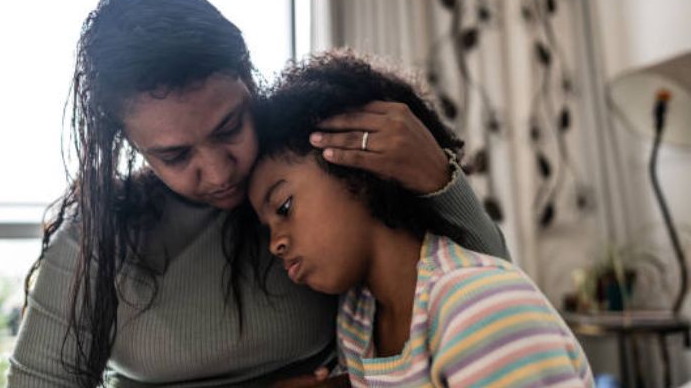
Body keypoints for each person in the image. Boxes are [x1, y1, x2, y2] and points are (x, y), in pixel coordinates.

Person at [8, 0, 509, 387]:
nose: (217, 172)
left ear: (249, 82)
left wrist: (437, 177)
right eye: (176, 156)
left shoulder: (312, 175)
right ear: (129, 144)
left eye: (229, 127)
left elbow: (487, 298)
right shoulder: (95, 238)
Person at [247, 51, 593, 387]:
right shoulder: (358, 320)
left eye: (284, 207)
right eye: (267, 229)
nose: (275, 244)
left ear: (358, 165)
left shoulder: (477, 305)